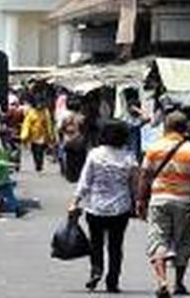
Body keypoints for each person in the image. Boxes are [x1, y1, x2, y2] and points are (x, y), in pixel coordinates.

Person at [136, 111, 190, 298]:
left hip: (159, 200)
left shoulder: (154, 148)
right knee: (183, 241)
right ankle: (179, 283)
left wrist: (140, 200)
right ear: (184, 128)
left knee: (158, 239)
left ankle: (162, 281)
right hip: (184, 202)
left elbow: (144, 176)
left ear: (166, 127)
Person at [69, 119, 138, 294]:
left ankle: (96, 269)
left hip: (95, 206)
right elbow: (134, 185)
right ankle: (112, 280)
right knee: (116, 246)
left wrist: (75, 202)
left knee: (96, 242)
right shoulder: (129, 157)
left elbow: (85, 181)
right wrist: (138, 203)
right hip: (120, 208)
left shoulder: (95, 154)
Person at [20, 97, 54, 172]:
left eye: (41, 104)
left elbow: (48, 124)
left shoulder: (45, 112)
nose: (40, 106)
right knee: (35, 150)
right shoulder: (31, 112)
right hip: (33, 135)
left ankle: (39, 164)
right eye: (38, 104)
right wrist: (25, 135)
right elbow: (27, 124)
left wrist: (50, 135)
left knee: (40, 150)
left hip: (42, 135)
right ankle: (37, 163)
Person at [60, 95, 87, 183]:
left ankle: (71, 176)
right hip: (80, 140)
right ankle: (78, 175)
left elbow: (60, 128)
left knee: (70, 159)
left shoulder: (65, 116)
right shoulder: (82, 117)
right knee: (79, 159)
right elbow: (85, 129)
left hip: (68, 139)